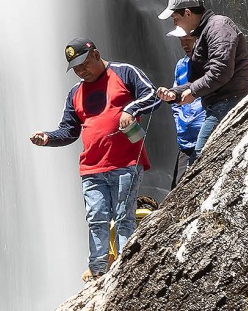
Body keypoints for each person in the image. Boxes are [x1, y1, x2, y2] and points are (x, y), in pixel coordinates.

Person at [29, 38, 161, 281]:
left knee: (123, 217)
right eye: (76, 68)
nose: (81, 71)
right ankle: (99, 270)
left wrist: (130, 110)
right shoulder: (75, 93)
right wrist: (47, 138)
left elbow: (153, 96)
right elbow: (68, 131)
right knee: (96, 218)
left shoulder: (125, 73)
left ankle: (125, 268)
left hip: (126, 163)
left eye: (83, 64)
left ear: (97, 55)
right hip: (91, 168)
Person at [154, 0, 248, 164]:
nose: (175, 25)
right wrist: (175, 94)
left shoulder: (218, 26)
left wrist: (193, 91)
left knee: (200, 159)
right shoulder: (204, 33)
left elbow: (221, 70)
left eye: (176, 20)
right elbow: (198, 79)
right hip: (219, 105)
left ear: (187, 13)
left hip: (230, 102)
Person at [168, 27, 205, 184]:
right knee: (179, 190)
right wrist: (180, 123)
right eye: (181, 40)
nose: (184, 45)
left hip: (210, 136)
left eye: (188, 40)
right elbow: (176, 101)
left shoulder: (221, 58)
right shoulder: (181, 65)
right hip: (186, 141)